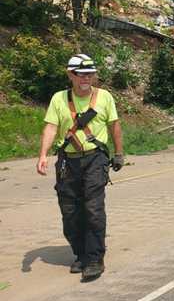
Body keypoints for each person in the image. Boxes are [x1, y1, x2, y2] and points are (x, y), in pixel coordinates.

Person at [36, 53, 124, 282]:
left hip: (95, 159)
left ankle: (95, 259)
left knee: (93, 208)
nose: (86, 78)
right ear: (70, 75)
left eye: (90, 74)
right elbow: (50, 128)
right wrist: (43, 155)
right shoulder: (59, 99)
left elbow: (114, 125)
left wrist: (119, 153)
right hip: (67, 160)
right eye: (81, 74)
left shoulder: (104, 97)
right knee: (70, 211)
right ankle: (81, 253)